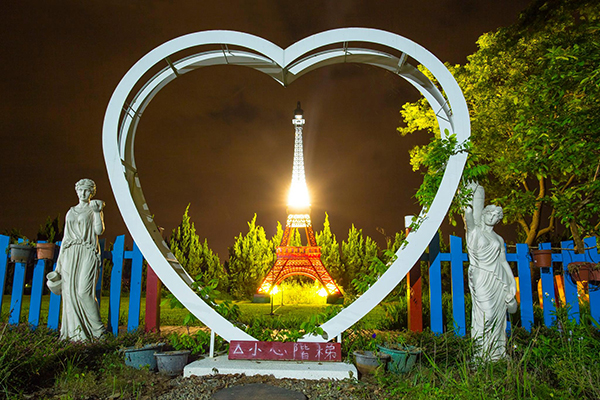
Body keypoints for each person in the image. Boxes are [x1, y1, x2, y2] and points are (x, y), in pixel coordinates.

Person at [464, 183, 517, 362]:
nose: (493, 218)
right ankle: (480, 354)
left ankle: (497, 353)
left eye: (497, 216)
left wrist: (512, 283)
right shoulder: (474, 231)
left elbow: (503, 262)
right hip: (481, 276)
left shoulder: (499, 239)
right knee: (486, 315)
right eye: (490, 214)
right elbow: (469, 216)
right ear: (484, 214)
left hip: (498, 277)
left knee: (499, 317)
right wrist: (469, 196)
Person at [50, 178, 106, 341]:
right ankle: (74, 334)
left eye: (87, 190)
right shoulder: (71, 212)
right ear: (76, 191)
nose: (83, 193)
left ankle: (98, 331)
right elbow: (66, 237)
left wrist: (97, 212)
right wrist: (59, 264)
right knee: (68, 293)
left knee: (83, 292)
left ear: (92, 192)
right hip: (69, 252)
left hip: (88, 251)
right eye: (80, 190)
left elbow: (99, 230)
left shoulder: (94, 208)